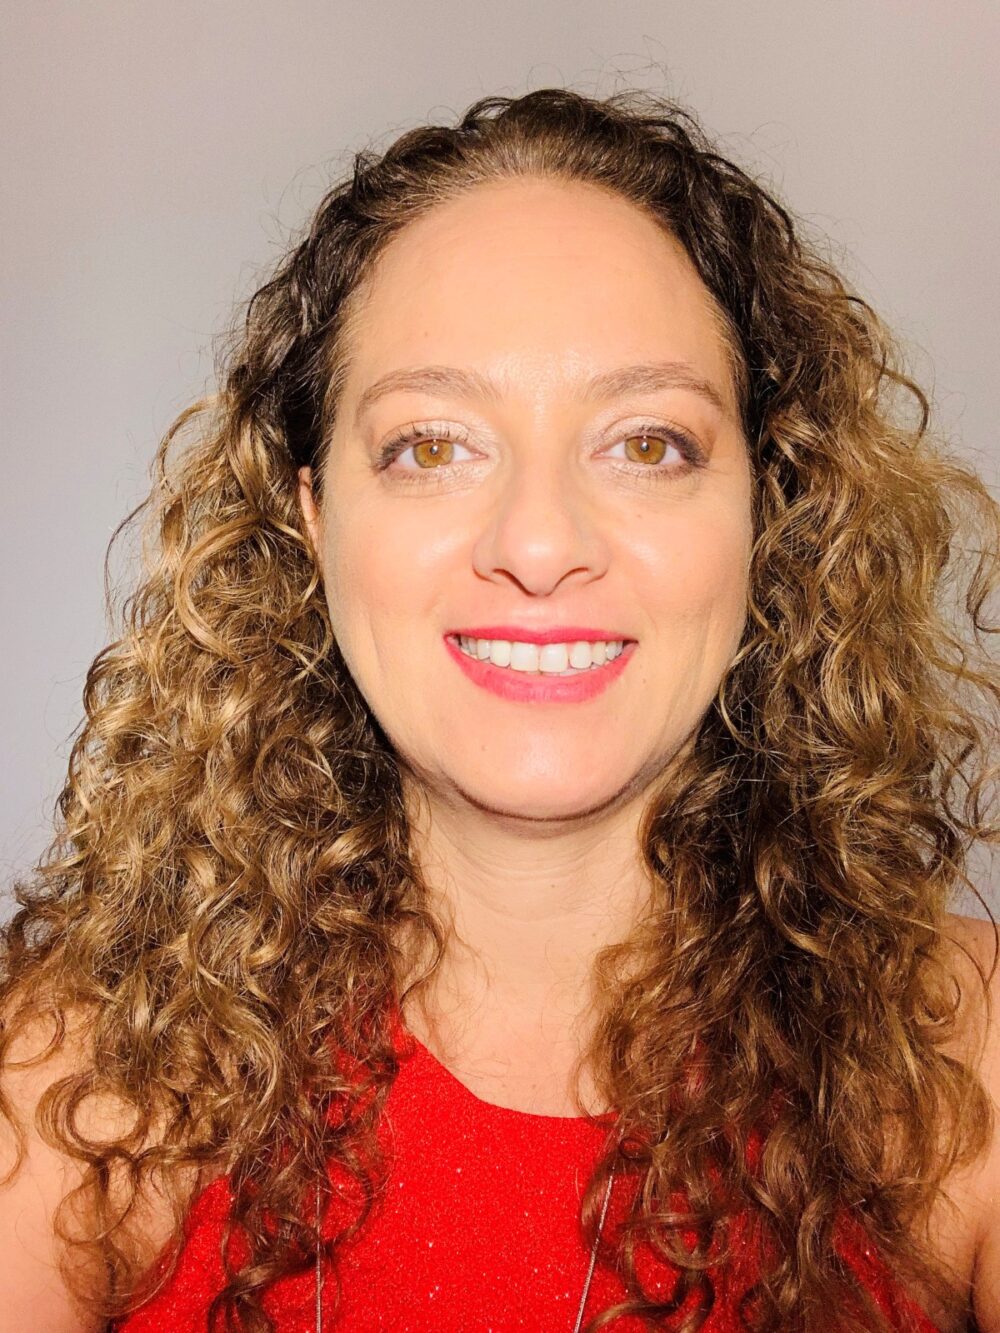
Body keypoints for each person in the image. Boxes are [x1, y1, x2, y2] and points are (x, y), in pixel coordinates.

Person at [0, 86, 997, 1333]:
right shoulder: (69, 1085)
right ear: (311, 518)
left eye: (647, 443)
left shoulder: (965, 1060)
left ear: (766, 507)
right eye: (431, 445)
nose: (537, 543)